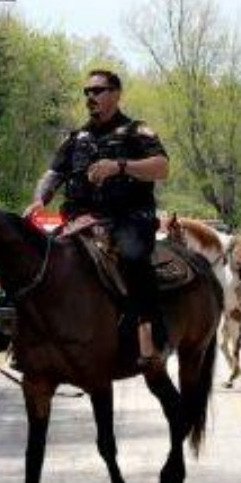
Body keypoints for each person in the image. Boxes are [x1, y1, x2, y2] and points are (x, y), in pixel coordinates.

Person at [24, 69, 170, 371]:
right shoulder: (76, 138)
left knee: (132, 256)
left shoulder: (136, 131)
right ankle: (25, 337)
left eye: (98, 90)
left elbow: (162, 167)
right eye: (86, 92)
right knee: (41, 260)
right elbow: (53, 174)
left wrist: (119, 166)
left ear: (116, 94)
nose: (91, 97)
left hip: (129, 217)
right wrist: (40, 198)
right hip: (80, 219)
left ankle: (149, 333)